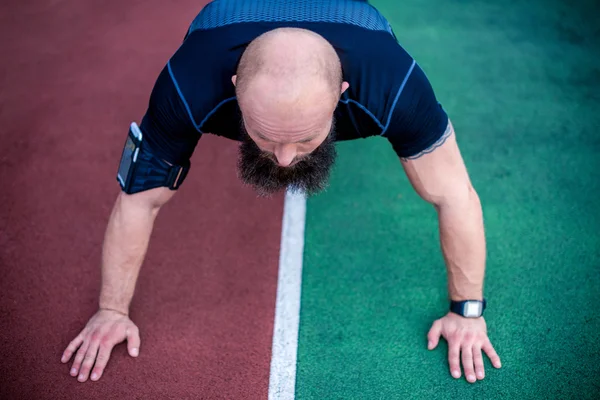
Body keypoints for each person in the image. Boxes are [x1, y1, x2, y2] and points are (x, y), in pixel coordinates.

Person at [61, 0, 502, 385]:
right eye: (265, 136)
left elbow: (454, 194)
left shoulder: (394, 85)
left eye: (306, 139)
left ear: (342, 97)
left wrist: (468, 313)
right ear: (234, 89)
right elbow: (140, 199)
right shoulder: (187, 84)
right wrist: (112, 310)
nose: (286, 159)